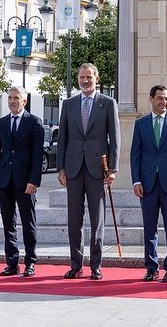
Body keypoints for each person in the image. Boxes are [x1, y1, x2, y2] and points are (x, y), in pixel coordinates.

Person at [56, 63, 121, 281]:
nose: (85, 81)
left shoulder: (108, 103)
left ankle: (96, 266)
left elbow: (115, 138)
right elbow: (63, 138)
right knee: (74, 221)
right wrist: (61, 168)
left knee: (97, 220)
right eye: (82, 77)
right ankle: (76, 265)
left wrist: (113, 168)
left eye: (89, 77)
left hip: (97, 169)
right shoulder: (69, 104)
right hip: (73, 169)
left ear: (96, 78)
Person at [130, 85, 167, 283]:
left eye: (166, 98)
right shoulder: (141, 124)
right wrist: (136, 180)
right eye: (160, 98)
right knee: (149, 227)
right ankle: (151, 267)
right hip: (147, 184)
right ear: (151, 99)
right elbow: (135, 155)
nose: (163, 102)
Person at [0, 86, 44, 277]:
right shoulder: (1, 123)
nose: (12, 101)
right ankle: (12, 263)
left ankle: (30, 262)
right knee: (8, 223)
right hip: (5, 181)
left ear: (24, 101)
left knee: (28, 223)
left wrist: (34, 180)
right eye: (10, 98)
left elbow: (37, 156)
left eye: (16, 98)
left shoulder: (34, 123)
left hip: (25, 182)